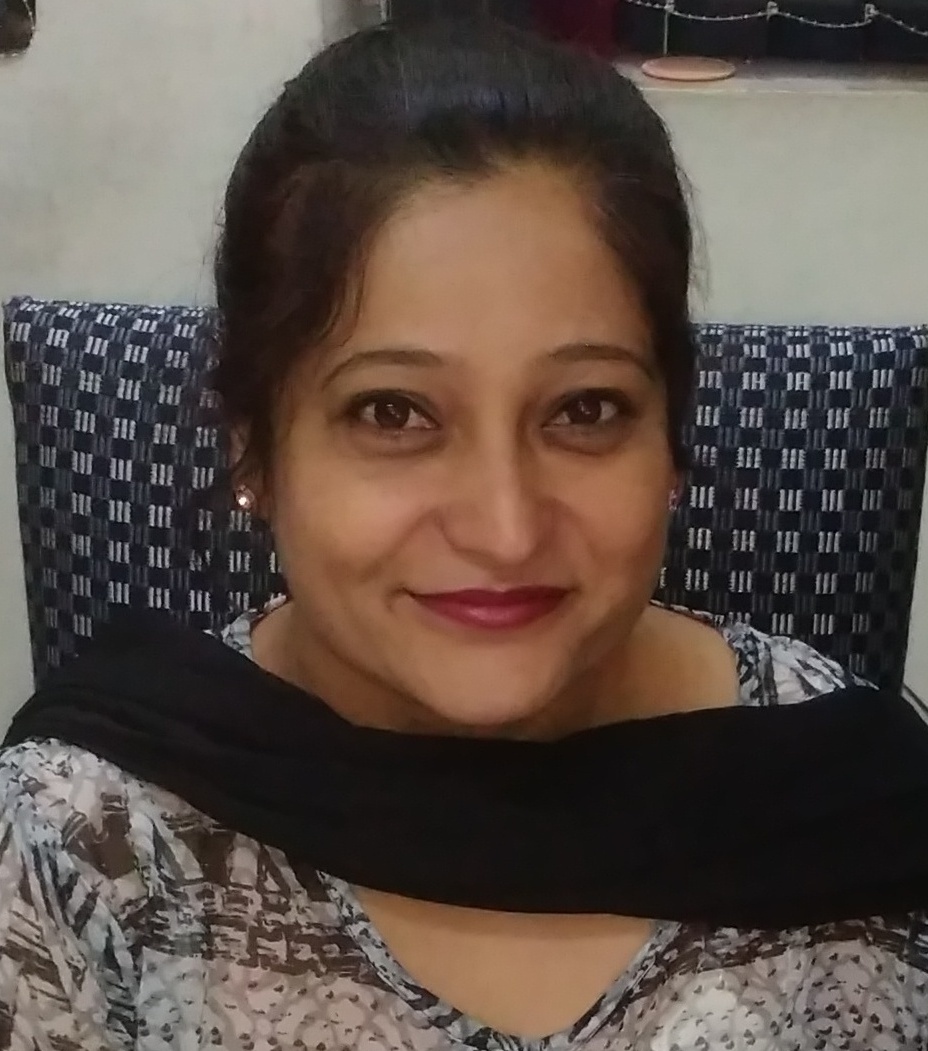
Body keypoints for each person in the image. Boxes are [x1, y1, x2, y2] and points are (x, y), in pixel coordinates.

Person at [2, 17, 928, 1051]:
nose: (505, 528)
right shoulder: (85, 852)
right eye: (393, 413)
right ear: (254, 451)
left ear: (670, 437)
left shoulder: (862, 820)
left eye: (584, 409)